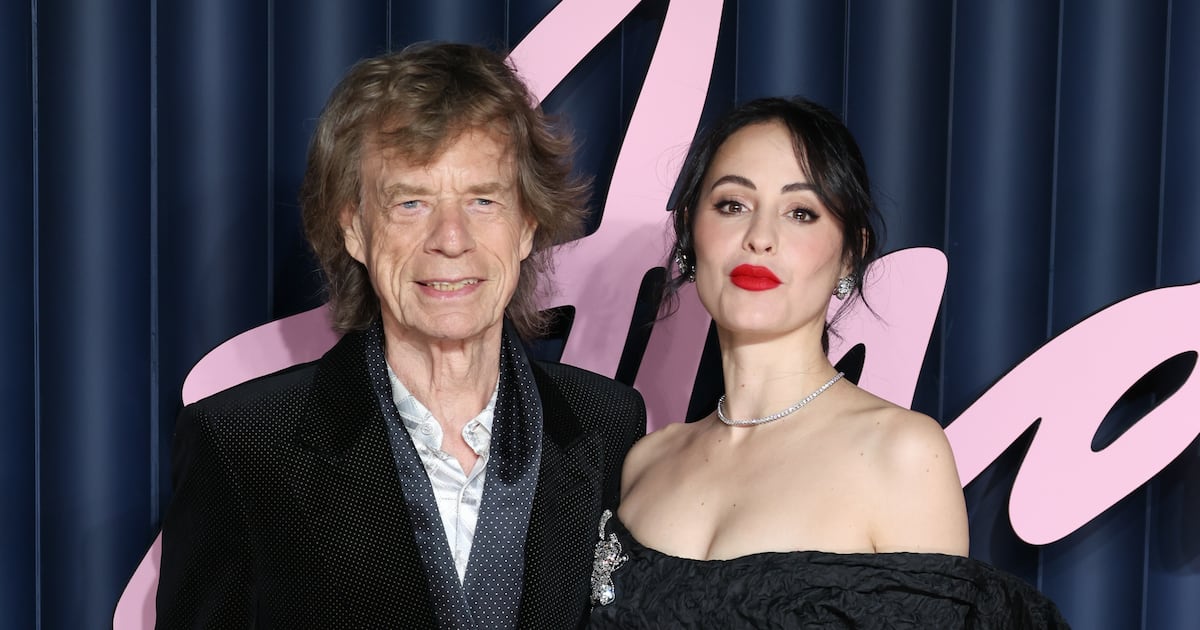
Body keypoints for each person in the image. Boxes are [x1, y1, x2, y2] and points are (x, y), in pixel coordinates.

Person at [155, 42, 645, 629]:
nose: (451, 239)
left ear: (526, 226)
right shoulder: (241, 443)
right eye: (411, 202)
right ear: (355, 230)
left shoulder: (606, 423)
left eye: (483, 200)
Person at [588, 97, 1068, 628]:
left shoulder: (902, 454)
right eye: (732, 204)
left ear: (849, 254)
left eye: (801, 213)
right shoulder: (646, 462)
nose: (760, 238)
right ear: (689, 231)